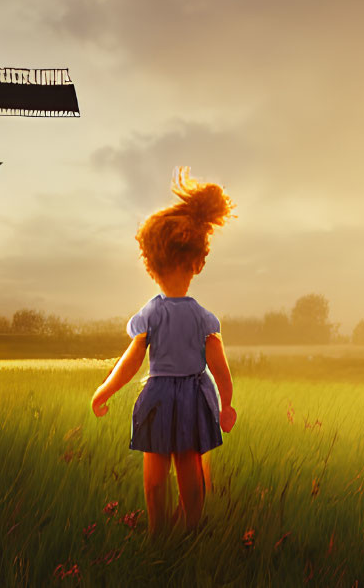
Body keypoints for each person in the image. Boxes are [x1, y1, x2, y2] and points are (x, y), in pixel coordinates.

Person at [90, 168, 237, 532]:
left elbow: (131, 361)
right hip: (187, 395)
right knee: (184, 468)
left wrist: (104, 390)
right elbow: (219, 369)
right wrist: (226, 402)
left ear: (151, 264)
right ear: (198, 262)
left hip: (160, 397)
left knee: (157, 473)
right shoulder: (202, 318)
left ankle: (167, 533)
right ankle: (188, 529)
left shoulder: (156, 314)